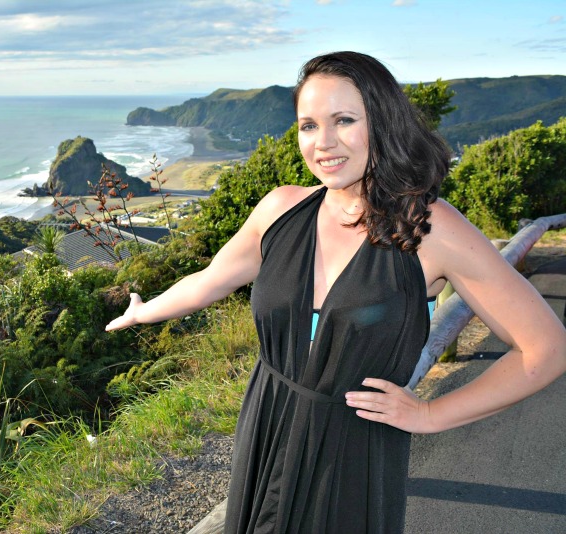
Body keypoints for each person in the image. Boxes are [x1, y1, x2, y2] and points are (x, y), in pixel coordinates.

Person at [105, 51, 566, 533]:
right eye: (308, 125)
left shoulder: (431, 229)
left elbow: (545, 349)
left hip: (352, 452)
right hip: (267, 420)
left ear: (383, 123)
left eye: (344, 120)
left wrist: (431, 413)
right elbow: (210, 281)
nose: (323, 143)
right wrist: (145, 311)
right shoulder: (281, 209)